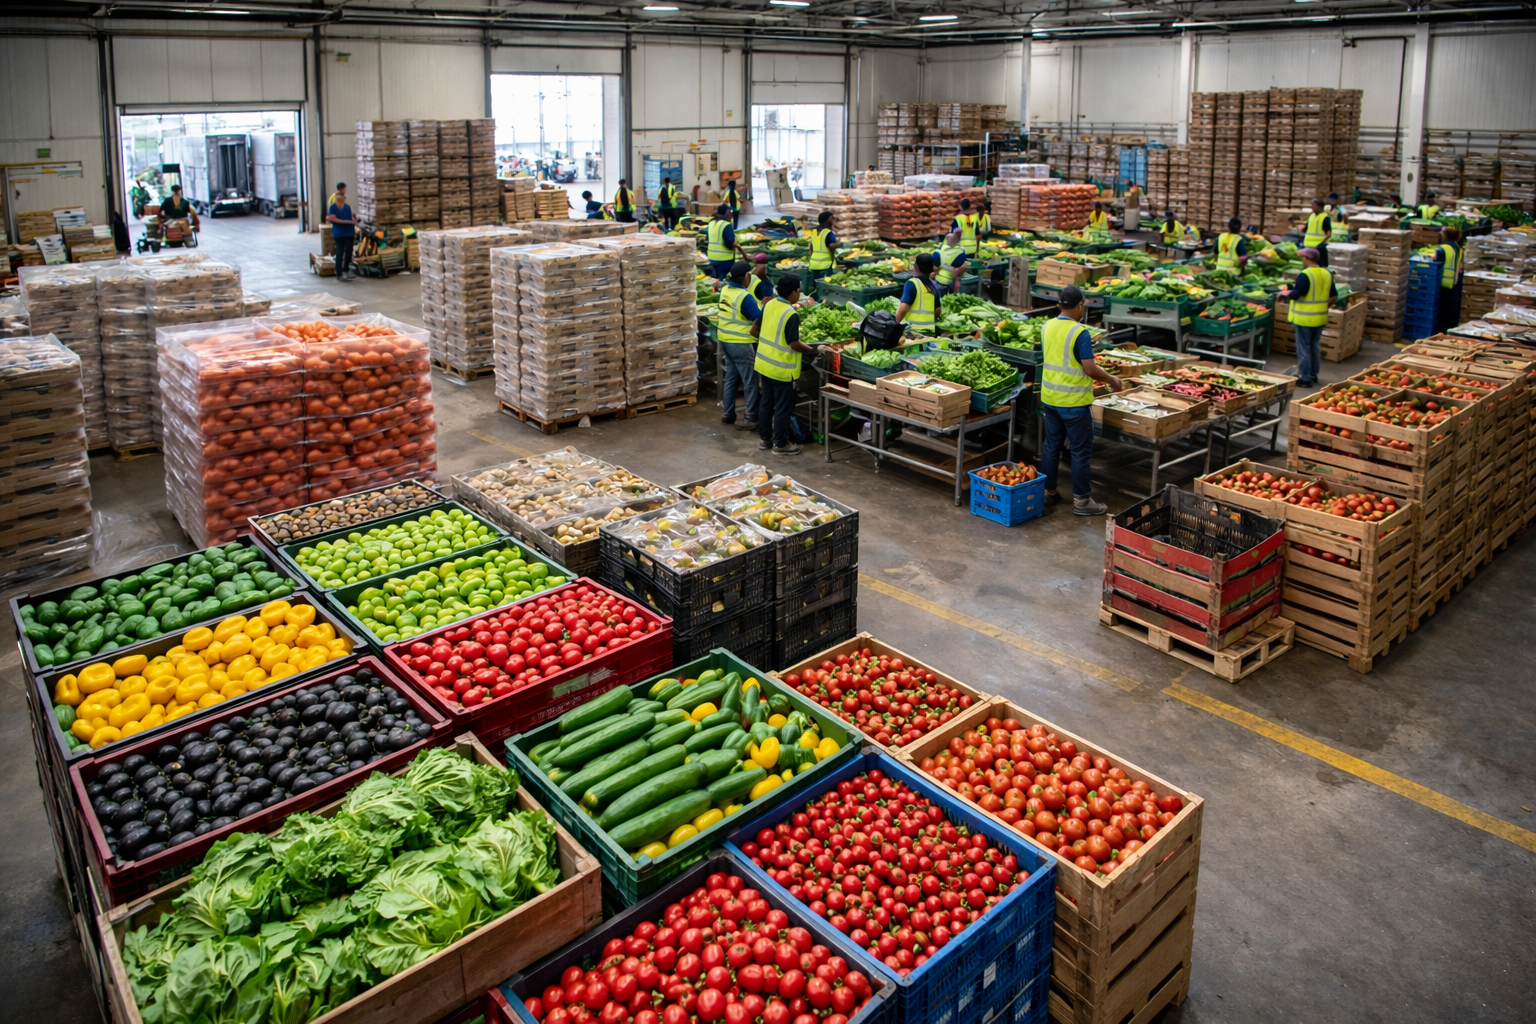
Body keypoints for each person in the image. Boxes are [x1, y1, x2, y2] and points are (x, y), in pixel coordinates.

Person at [1040, 285, 1124, 516]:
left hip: (1050, 398)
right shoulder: (1080, 333)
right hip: (1074, 403)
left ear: (1060, 304)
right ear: (1079, 305)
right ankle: (1082, 501)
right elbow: (1089, 368)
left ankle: (1048, 492)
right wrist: (1111, 379)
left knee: (1051, 447)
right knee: (1079, 451)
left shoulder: (1047, 326)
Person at [750, 275, 815, 456]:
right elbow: (794, 344)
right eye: (799, 290)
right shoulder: (790, 314)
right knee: (783, 408)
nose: (799, 293)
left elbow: (754, 330)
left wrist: (769, 342)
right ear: (793, 292)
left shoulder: (769, 304)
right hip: (782, 369)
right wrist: (814, 350)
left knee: (766, 403)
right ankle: (780, 444)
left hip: (764, 364)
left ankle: (765, 439)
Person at [717, 261, 762, 432]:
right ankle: (750, 417)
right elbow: (757, 318)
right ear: (746, 276)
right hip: (740, 343)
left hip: (725, 340)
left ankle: (728, 414)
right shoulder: (744, 297)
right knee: (750, 381)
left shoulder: (725, 290)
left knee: (731, 378)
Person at [1282, 247, 1335, 387]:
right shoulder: (1327, 273)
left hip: (1304, 319)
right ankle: (1313, 374)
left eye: (1303, 258)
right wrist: (1322, 308)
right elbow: (1334, 296)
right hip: (1320, 318)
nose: (1302, 261)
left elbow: (1297, 294)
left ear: (1307, 259)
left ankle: (1305, 379)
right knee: (1314, 346)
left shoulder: (1305, 275)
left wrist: (1285, 293)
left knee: (1303, 348)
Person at [896, 253, 940, 332]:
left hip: (913, 331)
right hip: (930, 330)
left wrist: (895, 325)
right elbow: (938, 310)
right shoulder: (934, 286)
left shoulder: (912, 283)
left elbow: (903, 308)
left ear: (916, 267)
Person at [327, 182, 357, 280]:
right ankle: (341, 272)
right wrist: (350, 222)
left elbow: (350, 218)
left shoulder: (346, 207)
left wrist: (354, 220)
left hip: (345, 232)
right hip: (343, 232)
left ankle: (343, 271)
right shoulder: (334, 207)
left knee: (346, 251)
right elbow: (332, 219)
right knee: (342, 251)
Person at [705, 204, 743, 280]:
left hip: (712, 258)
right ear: (727, 212)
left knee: (715, 280)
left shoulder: (711, 223)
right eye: (730, 211)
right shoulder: (726, 225)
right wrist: (742, 251)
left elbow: (708, 238)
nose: (731, 213)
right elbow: (730, 242)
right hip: (724, 260)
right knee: (724, 281)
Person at [1436, 225, 1462, 325]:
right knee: (1448, 308)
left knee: (1442, 310)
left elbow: (1436, 262)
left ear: (1446, 236)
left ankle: (1441, 328)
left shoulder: (1444, 248)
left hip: (1443, 282)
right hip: (1453, 282)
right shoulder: (1457, 247)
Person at [932, 230, 968, 296]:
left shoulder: (940, 250)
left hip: (939, 279)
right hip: (950, 280)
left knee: (940, 297)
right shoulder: (960, 252)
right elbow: (959, 270)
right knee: (949, 297)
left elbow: (935, 261)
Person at [807, 211, 838, 281]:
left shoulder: (814, 233)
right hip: (825, 266)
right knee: (824, 284)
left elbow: (811, 250)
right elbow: (832, 247)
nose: (834, 220)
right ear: (826, 220)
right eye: (832, 218)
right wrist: (839, 244)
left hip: (814, 265)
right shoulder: (828, 233)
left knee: (815, 285)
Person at [1302, 198, 1331, 268]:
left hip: (1319, 247)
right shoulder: (1311, 216)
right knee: (1308, 266)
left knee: (1320, 266)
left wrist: (1321, 243)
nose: (1312, 207)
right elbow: (1305, 229)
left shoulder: (1325, 217)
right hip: (1308, 246)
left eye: (1313, 205)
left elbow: (1328, 233)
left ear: (1319, 206)